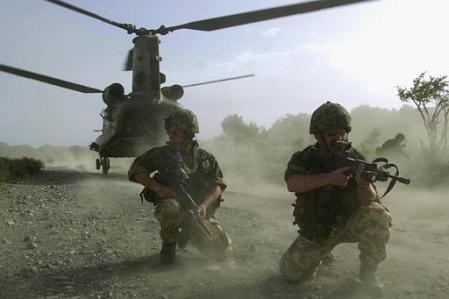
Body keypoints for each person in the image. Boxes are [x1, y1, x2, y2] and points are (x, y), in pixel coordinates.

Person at [279, 101, 392, 293]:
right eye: (332, 134)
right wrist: (329, 178)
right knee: (291, 275)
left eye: (342, 133)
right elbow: (292, 183)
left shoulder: (356, 158)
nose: (339, 138)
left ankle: (368, 276)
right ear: (317, 135)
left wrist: (363, 183)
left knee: (377, 214)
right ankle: (322, 255)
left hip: (348, 225)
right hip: (318, 230)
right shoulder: (305, 157)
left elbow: (371, 199)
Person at [128, 109, 232, 264]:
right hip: (174, 207)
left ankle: (193, 235)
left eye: (175, 133)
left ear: (189, 134)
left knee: (221, 251)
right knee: (170, 207)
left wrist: (204, 206)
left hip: (197, 211)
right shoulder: (160, 154)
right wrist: (160, 189)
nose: (170, 135)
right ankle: (168, 247)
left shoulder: (205, 158)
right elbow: (136, 171)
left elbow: (218, 185)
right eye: (169, 132)